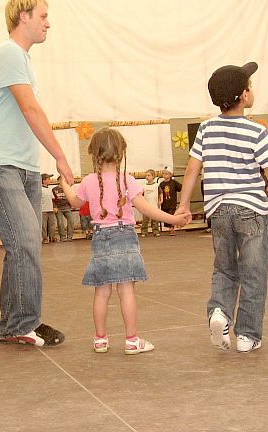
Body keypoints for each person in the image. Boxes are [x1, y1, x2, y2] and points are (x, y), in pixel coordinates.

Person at [0, 0, 73, 347]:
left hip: (23, 165)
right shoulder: (10, 53)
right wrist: (60, 156)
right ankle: (21, 322)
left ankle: (19, 321)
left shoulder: (22, 59)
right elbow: (30, 110)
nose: (48, 23)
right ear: (23, 16)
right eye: (43, 16)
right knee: (26, 242)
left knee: (24, 245)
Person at [176, 62, 268, 353]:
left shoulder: (206, 129)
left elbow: (193, 168)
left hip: (218, 210)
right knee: (253, 272)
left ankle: (219, 312)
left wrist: (183, 205)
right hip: (251, 211)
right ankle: (247, 335)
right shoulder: (256, 132)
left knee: (224, 269)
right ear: (244, 96)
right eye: (250, 86)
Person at [60, 128, 189, 354]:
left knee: (101, 292)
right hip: (125, 236)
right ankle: (132, 340)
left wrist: (63, 184)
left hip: (100, 237)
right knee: (126, 291)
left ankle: (100, 339)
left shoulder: (89, 181)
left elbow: (74, 202)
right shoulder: (127, 180)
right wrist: (173, 220)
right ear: (121, 154)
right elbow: (147, 208)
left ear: (93, 154)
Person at [140, 169, 162, 237]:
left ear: (153, 176)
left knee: (155, 219)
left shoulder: (156, 185)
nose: (147, 177)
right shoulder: (144, 186)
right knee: (145, 220)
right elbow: (141, 195)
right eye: (146, 175)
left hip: (154, 205)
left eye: (149, 175)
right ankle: (144, 232)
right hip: (146, 206)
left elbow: (161, 193)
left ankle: (155, 231)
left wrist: (160, 201)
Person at [160, 168, 181, 235]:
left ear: (170, 175)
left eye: (166, 174)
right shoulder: (162, 184)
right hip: (165, 203)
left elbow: (180, 188)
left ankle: (172, 228)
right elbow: (160, 193)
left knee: (171, 214)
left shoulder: (174, 182)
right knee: (166, 215)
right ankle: (169, 227)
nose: (164, 175)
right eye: (163, 174)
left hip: (172, 202)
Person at [41, 173, 57, 243]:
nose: (49, 180)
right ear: (43, 180)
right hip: (43, 209)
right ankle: (45, 238)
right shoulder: (40, 189)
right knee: (43, 225)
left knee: (52, 224)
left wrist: (54, 207)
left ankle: (52, 237)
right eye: (48, 179)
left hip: (50, 209)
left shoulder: (49, 189)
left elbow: (52, 199)